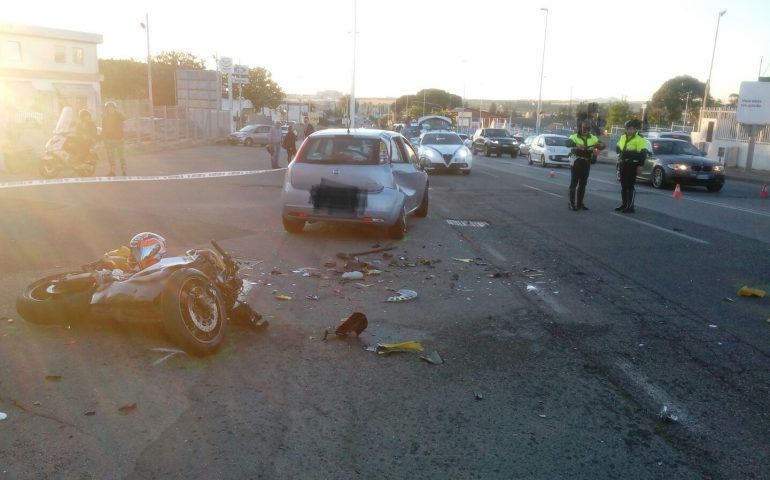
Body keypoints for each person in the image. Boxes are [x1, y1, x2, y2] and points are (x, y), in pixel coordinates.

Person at [565, 121, 605, 211]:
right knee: (574, 182)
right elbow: (567, 143)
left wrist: (599, 148)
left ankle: (580, 203)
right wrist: (576, 145)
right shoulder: (574, 136)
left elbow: (602, 145)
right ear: (580, 128)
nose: (585, 130)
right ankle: (571, 203)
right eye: (584, 128)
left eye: (588, 129)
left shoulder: (593, 137)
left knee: (583, 183)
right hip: (576, 160)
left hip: (586, 161)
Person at [615, 119, 649, 213]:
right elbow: (618, 147)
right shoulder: (623, 137)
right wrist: (620, 151)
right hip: (623, 163)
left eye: (630, 129)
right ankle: (624, 204)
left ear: (634, 129)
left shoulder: (640, 138)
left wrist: (640, 165)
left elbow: (643, 154)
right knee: (623, 185)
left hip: (632, 164)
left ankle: (630, 207)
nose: (628, 130)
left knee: (629, 185)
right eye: (627, 129)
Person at [102, 101, 126, 176]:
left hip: (119, 139)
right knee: (110, 157)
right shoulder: (105, 117)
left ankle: (124, 169)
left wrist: (119, 113)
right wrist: (104, 138)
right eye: (108, 108)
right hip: (109, 140)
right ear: (106, 109)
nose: (110, 109)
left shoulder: (118, 115)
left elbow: (124, 118)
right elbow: (104, 128)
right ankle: (112, 171)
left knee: (122, 156)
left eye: (112, 108)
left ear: (115, 109)